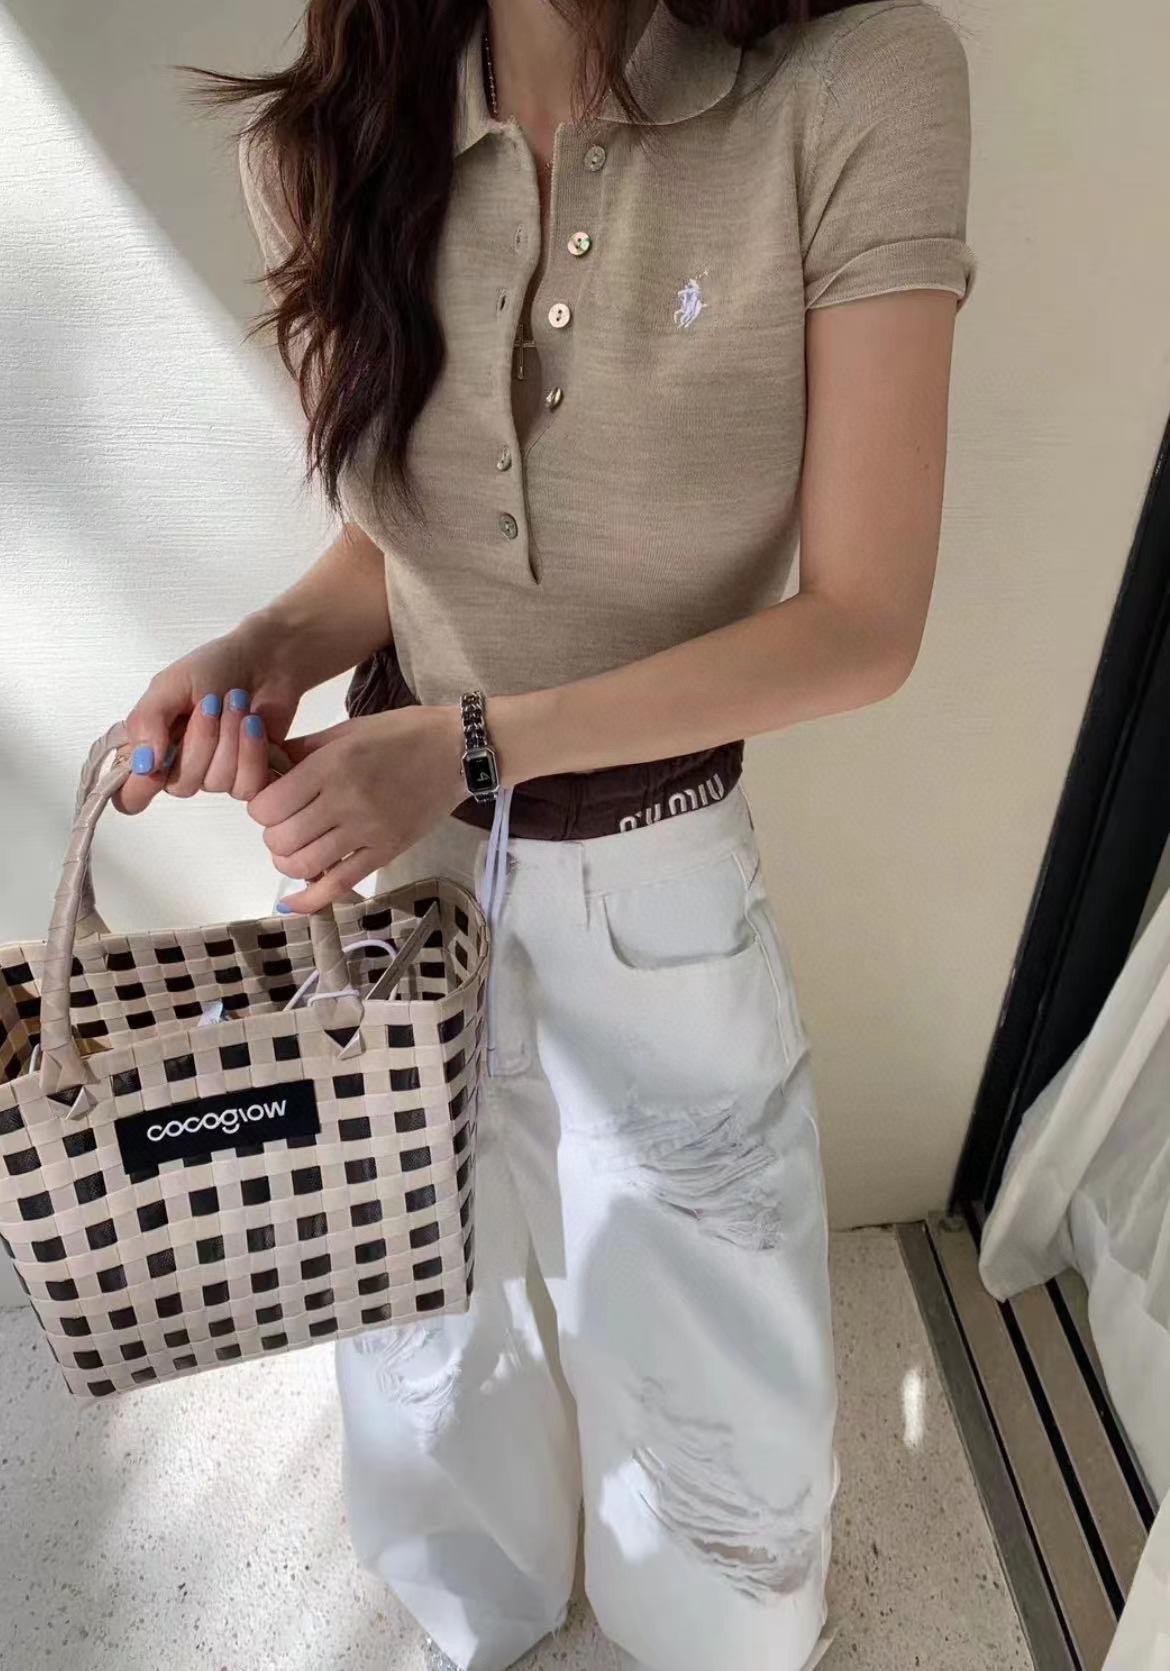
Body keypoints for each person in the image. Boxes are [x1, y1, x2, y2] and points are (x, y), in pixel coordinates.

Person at [126, 2, 975, 1666]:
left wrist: (466, 744)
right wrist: (263, 648)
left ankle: (715, 1631)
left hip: (649, 864)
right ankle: (474, 1597)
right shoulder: (327, 141)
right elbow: (399, 543)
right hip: (400, 862)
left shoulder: (852, 87)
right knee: (420, 1303)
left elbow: (863, 624)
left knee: (701, 1337)